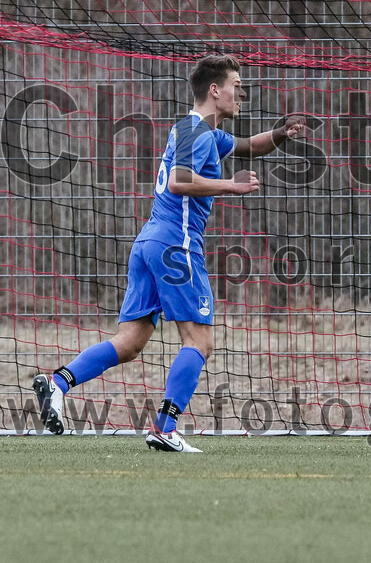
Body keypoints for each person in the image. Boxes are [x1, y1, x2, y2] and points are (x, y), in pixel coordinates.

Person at [33, 54, 304, 453]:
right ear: (215, 90)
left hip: (150, 243)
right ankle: (165, 427)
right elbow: (178, 182)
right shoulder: (197, 133)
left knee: (130, 341)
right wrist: (230, 186)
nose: (240, 93)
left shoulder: (201, 131)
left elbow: (248, 145)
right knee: (199, 340)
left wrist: (280, 134)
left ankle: (57, 382)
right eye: (236, 85)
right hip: (176, 246)